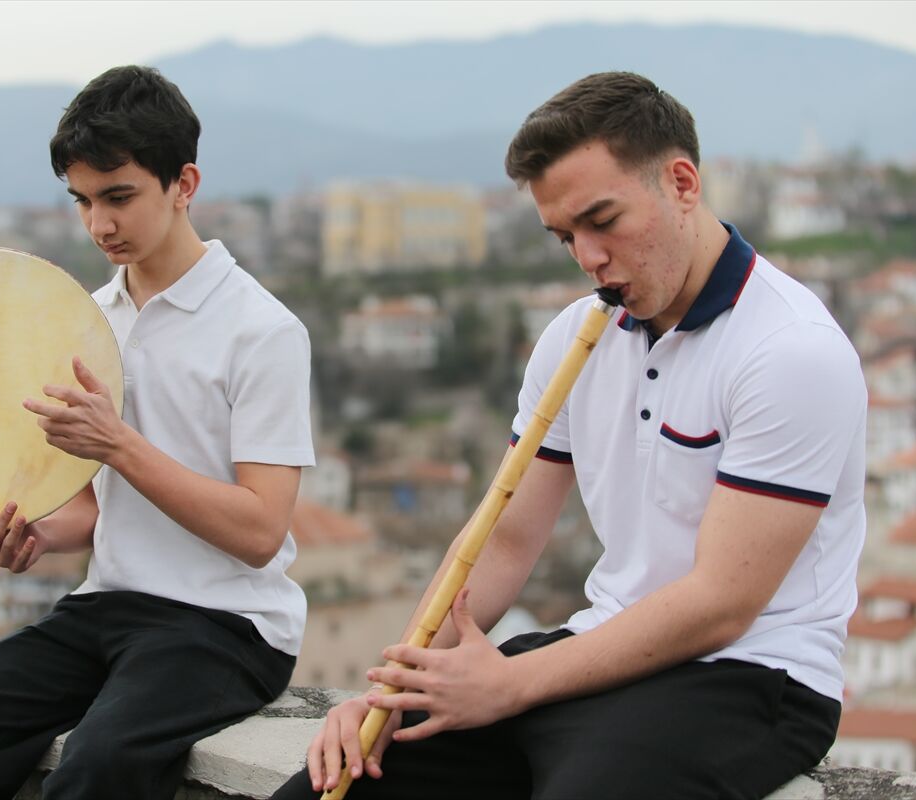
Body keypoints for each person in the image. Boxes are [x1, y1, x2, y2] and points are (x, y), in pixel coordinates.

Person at [274, 71, 865, 800]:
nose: (588, 258)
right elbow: (505, 540)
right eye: (565, 237)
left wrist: (512, 683)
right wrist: (391, 691)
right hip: (595, 651)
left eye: (603, 221)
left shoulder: (791, 351)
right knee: (330, 785)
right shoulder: (572, 338)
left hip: (750, 674)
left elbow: (722, 602)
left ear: (682, 184)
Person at [0, 65, 315, 800]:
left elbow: (259, 533)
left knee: (96, 770)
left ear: (184, 184)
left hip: (230, 625)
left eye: (119, 197)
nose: (99, 225)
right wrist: (35, 534)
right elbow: (93, 509)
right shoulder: (85, 319)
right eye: (83, 201)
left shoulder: (263, 331)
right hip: (107, 604)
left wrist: (119, 443)